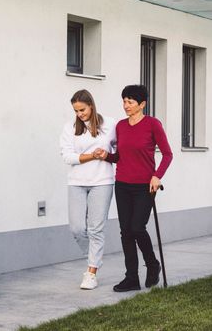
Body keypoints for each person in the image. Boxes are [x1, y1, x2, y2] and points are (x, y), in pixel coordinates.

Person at [95, 85, 173, 292]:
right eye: (124, 101)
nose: (125, 106)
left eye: (130, 102)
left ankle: (153, 264)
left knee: (137, 227)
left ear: (142, 104)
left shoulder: (152, 124)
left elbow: (167, 154)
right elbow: (120, 156)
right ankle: (131, 278)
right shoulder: (120, 126)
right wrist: (107, 156)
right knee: (126, 232)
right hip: (122, 184)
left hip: (144, 186)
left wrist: (157, 176)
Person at [60, 89, 116, 290]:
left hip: (102, 181)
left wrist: (107, 154)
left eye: (82, 110)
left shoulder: (109, 124)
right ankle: (95, 256)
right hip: (76, 182)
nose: (79, 114)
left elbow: (118, 150)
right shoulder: (69, 128)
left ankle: (91, 272)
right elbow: (67, 156)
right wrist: (92, 156)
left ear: (91, 105)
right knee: (77, 228)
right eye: (76, 111)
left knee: (96, 228)